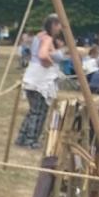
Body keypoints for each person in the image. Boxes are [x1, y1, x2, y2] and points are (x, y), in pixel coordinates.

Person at [16, 15, 64, 149]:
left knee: (33, 110)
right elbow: (42, 55)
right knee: (39, 112)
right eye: (59, 25)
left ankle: (22, 137)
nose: (60, 28)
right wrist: (50, 62)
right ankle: (31, 140)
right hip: (41, 79)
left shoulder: (40, 36)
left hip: (32, 75)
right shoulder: (47, 38)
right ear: (54, 24)